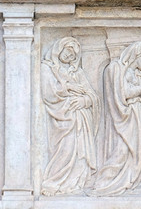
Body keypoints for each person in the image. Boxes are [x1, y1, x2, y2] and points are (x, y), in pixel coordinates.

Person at [91, 41, 141, 196]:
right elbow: (121, 93)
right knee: (123, 149)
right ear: (137, 54)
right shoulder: (116, 68)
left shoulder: (137, 74)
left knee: (138, 150)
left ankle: (132, 180)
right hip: (126, 115)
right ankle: (106, 182)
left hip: (139, 114)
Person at [41, 37, 100, 196]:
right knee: (65, 150)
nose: (70, 56)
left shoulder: (78, 72)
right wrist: (70, 87)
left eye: (74, 54)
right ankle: (55, 182)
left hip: (81, 118)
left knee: (81, 153)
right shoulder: (48, 68)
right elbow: (48, 93)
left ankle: (76, 184)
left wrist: (84, 100)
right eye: (68, 51)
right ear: (59, 49)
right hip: (61, 119)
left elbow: (92, 96)